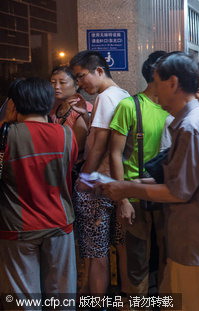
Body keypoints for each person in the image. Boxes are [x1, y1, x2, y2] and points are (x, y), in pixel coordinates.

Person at [98, 52, 199, 311]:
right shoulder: (188, 121)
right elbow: (186, 180)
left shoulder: (192, 126)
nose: (154, 90)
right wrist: (134, 185)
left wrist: (126, 188)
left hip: (197, 240)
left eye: (157, 82)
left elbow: (178, 192)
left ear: (172, 83)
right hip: (191, 239)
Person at [0, 78, 78, 303]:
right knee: (62, 297)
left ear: (13, 104)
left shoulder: (7, 136)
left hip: (17, 228)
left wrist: (5, 120)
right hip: (60, 224)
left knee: (23, 300)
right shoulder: (66, 135)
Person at [107, 50, 169, 295]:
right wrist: (122, 198)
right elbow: (115, 154)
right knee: (137, 261)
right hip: (135, 196)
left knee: (168, 258)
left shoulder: (176, 108)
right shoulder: (129, 106)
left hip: (166, 195)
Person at [70, 50, 130, 295]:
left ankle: (97, 302)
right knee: (114, 247)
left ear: (99, 71)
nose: (80, 84)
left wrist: (84, 177)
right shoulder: (123, 94)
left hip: (97, 185)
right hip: (114, 183)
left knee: (95, 252)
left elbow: (99, 144)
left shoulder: (105, 97)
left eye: (81, 76)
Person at [49, 65, 92, 156]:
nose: (56, 86)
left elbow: (79, 146)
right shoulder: (55, 107)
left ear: (76, 84)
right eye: (53, 82)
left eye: (62, 82)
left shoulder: (83, 109)